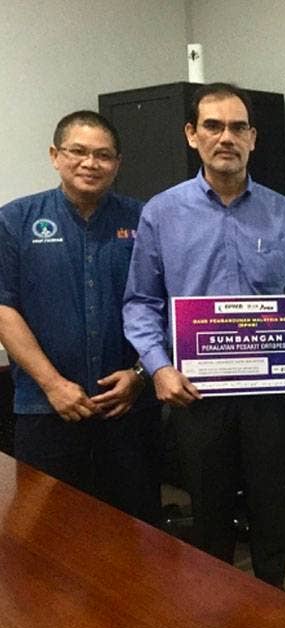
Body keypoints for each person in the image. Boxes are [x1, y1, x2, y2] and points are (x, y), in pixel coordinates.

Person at [122, 83, 285, 587]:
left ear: (253, 138)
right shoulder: (161, 213)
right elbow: (140, 303)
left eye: (238, 127)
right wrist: (159, 367)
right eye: (213, 126)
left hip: (271, 397)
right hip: (197, 397)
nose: (226, 137)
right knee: (209, 520)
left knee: (272, 515)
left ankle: (272, 617)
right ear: (193, 135)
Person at [0, 110, 160, 524]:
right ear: (55, 155)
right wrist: (53, 385)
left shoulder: (145, 220)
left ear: (117, 164)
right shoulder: (16, 221)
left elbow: (167, 305)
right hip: (44, 409)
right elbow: (3, 308)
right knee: (48, 533)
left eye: (103, 155)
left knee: (134, 532)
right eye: (78, 152)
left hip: (126, 409)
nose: (91, 164)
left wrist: (140, 375)